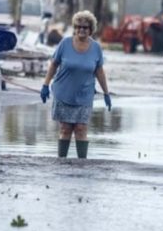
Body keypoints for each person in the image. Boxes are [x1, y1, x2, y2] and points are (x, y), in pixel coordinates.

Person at [40, 10, 112, 159]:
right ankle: (62, 162)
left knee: (81, 129)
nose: (81, 30)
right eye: (78, 26)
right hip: (63, 93)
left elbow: (99, 71)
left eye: (85, 27)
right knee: (65, 129)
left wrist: (106, 93)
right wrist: (45, 85)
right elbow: (54, 64)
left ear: (91, 29)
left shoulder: (96, 48)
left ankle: (82, 164)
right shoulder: (65, 43)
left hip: (85, 95)